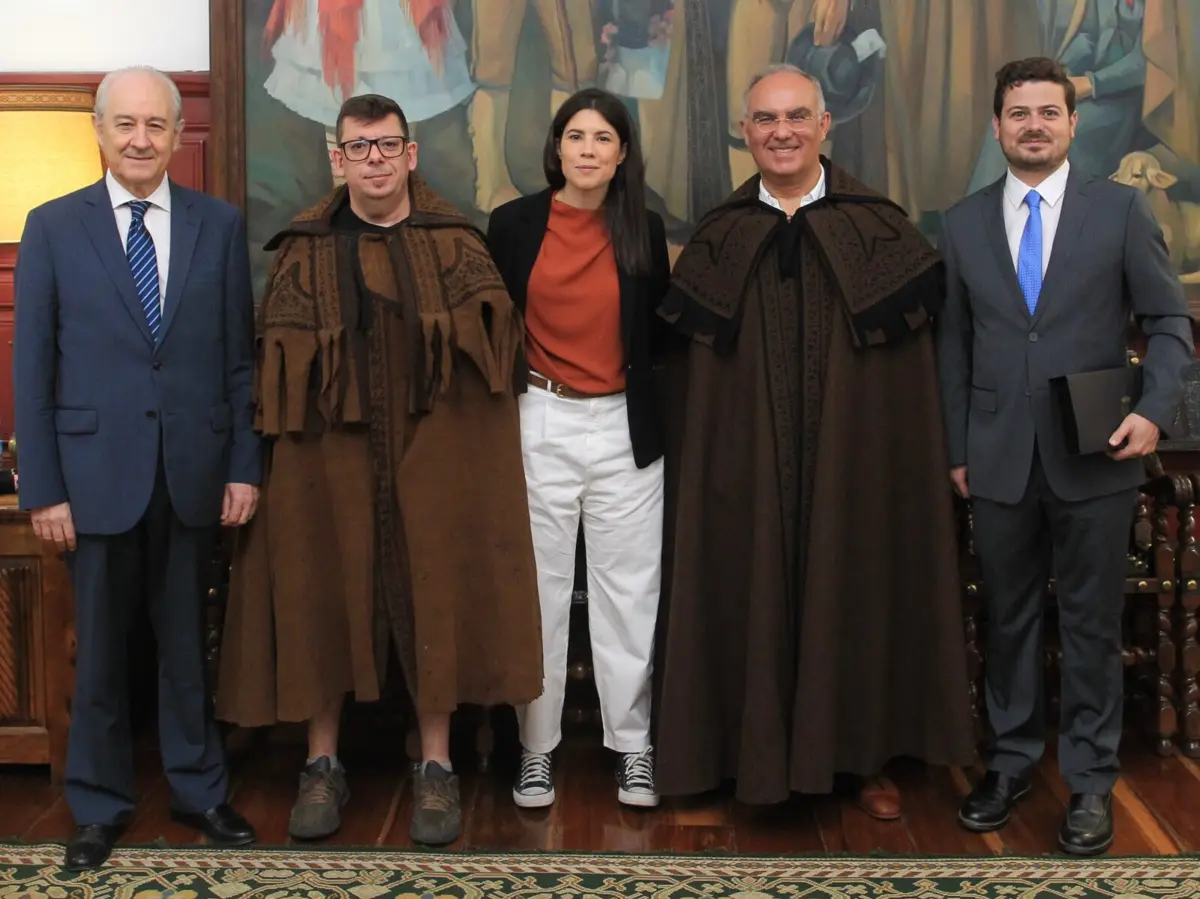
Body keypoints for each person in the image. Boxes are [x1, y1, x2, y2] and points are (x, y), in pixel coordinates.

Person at [215, 93, 544, 847]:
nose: (373, 160)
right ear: (338, 158)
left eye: (386, 146)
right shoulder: (303, 247)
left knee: (436, 587)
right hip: (328, 456)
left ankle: (435, 768)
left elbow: (495, 371)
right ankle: (321, 763)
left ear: (410, 153)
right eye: (358, 148)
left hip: (436, 451)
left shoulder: (458, 244)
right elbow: (271, 375)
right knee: (320, 588)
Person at [653, 63, 976, 818]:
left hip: (852, 475)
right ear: (745, 134)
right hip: (748, 477)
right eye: (766, 120)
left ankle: (863, 760)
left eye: (797, 116)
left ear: (826, 126)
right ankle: (743, 755)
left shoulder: (882, 232)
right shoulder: (719, 239)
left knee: (853, 588)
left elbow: (910, 384)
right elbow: (695, 391)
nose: (783, 132)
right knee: (745, 585)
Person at [936, 57, 1193, 856]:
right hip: (997, 456)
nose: (1035, 125)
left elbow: (1171, 324)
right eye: (1020, 113)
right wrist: (955, 449)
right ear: (998, 125)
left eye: (1050, 112)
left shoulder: (1118, 213)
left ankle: (1088, 782)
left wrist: (1154, 413)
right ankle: (1010, 764)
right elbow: (954, 345)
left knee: (1088, 624)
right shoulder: (962, 221)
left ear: (1074, 124)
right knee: (1007, 619)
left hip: (1098, 452)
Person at [12, 66, 261, 870]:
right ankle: (96, 804)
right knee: (102, 655)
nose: (141, 139)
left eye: (156, 124)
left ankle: (199, 790)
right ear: (99, 128)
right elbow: (34, 371)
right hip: (89, 479)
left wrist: (242, 467)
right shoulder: (52, 226)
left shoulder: (217, 226)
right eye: (126, 124)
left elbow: (238, 364)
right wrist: (41, 486)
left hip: (193, 471)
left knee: (189, 647)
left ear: (179, 131)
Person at [486, 87, 672, 809]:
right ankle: (536, 750)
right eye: (577, 136)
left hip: (626, 426)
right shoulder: (512, 224)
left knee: (629, 592)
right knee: (539, 593)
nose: (589, 150)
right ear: (556, 147)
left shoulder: (643, 228)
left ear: (623, 153)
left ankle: (632, 748)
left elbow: (654, 336)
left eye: (603, 138)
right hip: (540, 419)